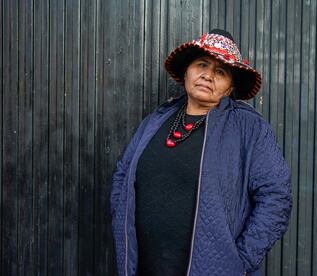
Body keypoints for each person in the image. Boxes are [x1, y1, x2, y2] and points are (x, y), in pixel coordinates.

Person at [110, 29, 292, 276]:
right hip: (144, 267)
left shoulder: (249, 127)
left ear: (229, 87)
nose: (208, 75)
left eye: (220, 71)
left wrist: (238, 262)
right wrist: (121, 223)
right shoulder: (156, 119)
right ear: (186, 72)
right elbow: (123, 173)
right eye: (202, 65)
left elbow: (276, 197)